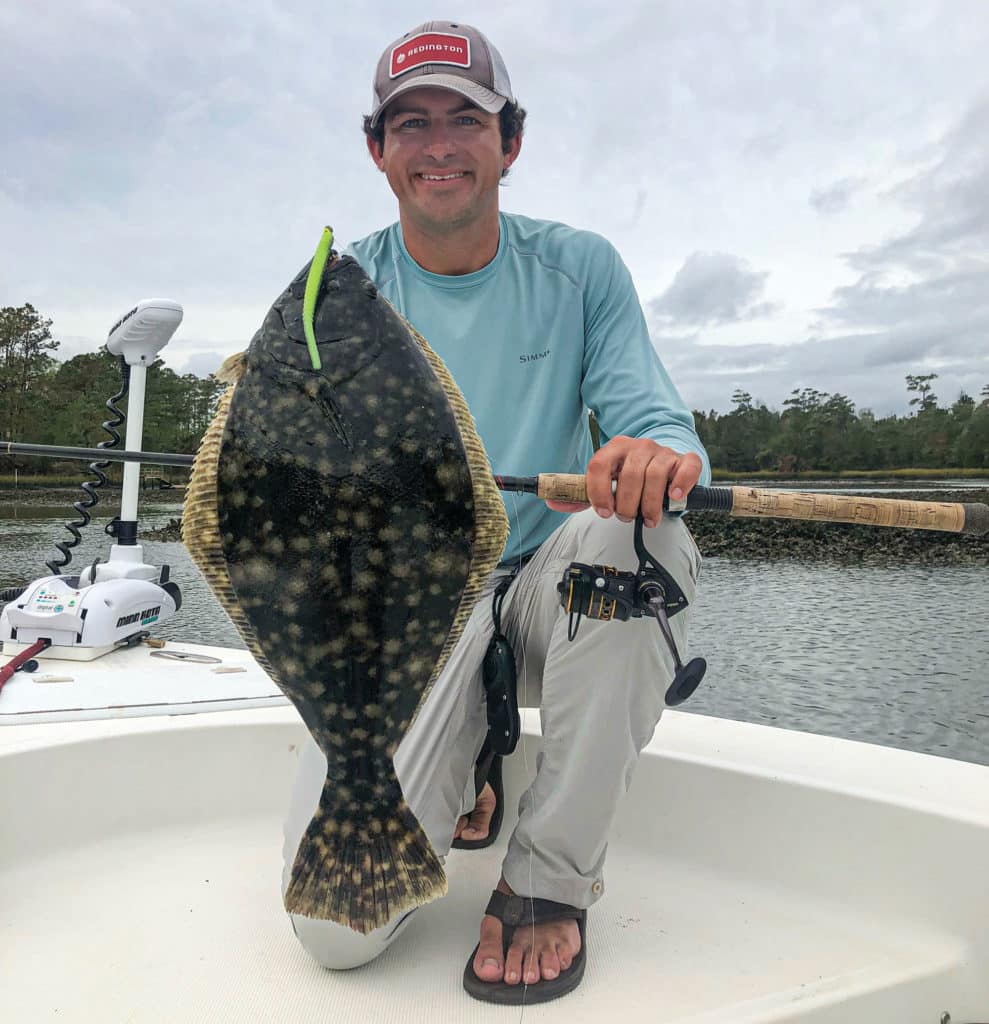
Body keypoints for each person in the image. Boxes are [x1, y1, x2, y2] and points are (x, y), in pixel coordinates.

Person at [282, 19, 710, 1005]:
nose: (437, 146)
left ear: (507, 141)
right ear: (376, 150)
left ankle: (546, 877)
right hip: (404, 610)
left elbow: (656, 423)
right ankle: (469, 756)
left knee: (632, 532)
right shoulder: (330, 293)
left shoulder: (581, 268)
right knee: (334, 934)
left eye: (462, 120)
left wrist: (649, 457)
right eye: (410, 123)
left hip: (544, 585)